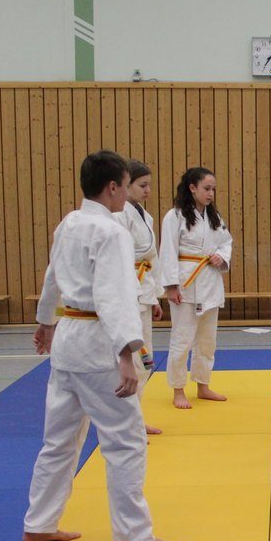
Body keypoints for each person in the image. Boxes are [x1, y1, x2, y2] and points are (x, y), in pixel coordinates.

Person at [24, 150, 184, 541]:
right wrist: (128, 353)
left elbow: (52, 277)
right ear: (112, 187)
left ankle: (39, 523)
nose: (127, 196)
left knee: (58, 440)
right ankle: (135, 536)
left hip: (67, 341)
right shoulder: (112, 232)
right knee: (125, 442)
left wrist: (45, 322)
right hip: (98, 344)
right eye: (126, 187)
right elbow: (115, 295)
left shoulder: (69, 223)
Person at [158, 167, 233, 410]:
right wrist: (170, 286)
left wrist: (222, 257)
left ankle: (203, 385)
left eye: (213, 189)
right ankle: (178, 389)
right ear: (192, 188)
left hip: (210, 282)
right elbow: (167, 251)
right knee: (182, 339)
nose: (211, 194)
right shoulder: (175, 216)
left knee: (207, 340)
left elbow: (226, 242)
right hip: (186, 284)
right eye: (206, 188)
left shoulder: (214, 217)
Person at [114, 160, 165, 435]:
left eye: (149, 185)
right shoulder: (119, 216)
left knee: (145, 361)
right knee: (133, 362)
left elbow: (152, 259)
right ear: (127, 185)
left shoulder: (145, 216)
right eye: (142, 185)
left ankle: (136, 418)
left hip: (143, 291)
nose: (147, 190)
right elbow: (120, 260)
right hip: (127, 293)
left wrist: (155, 296)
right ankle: (128, 424)